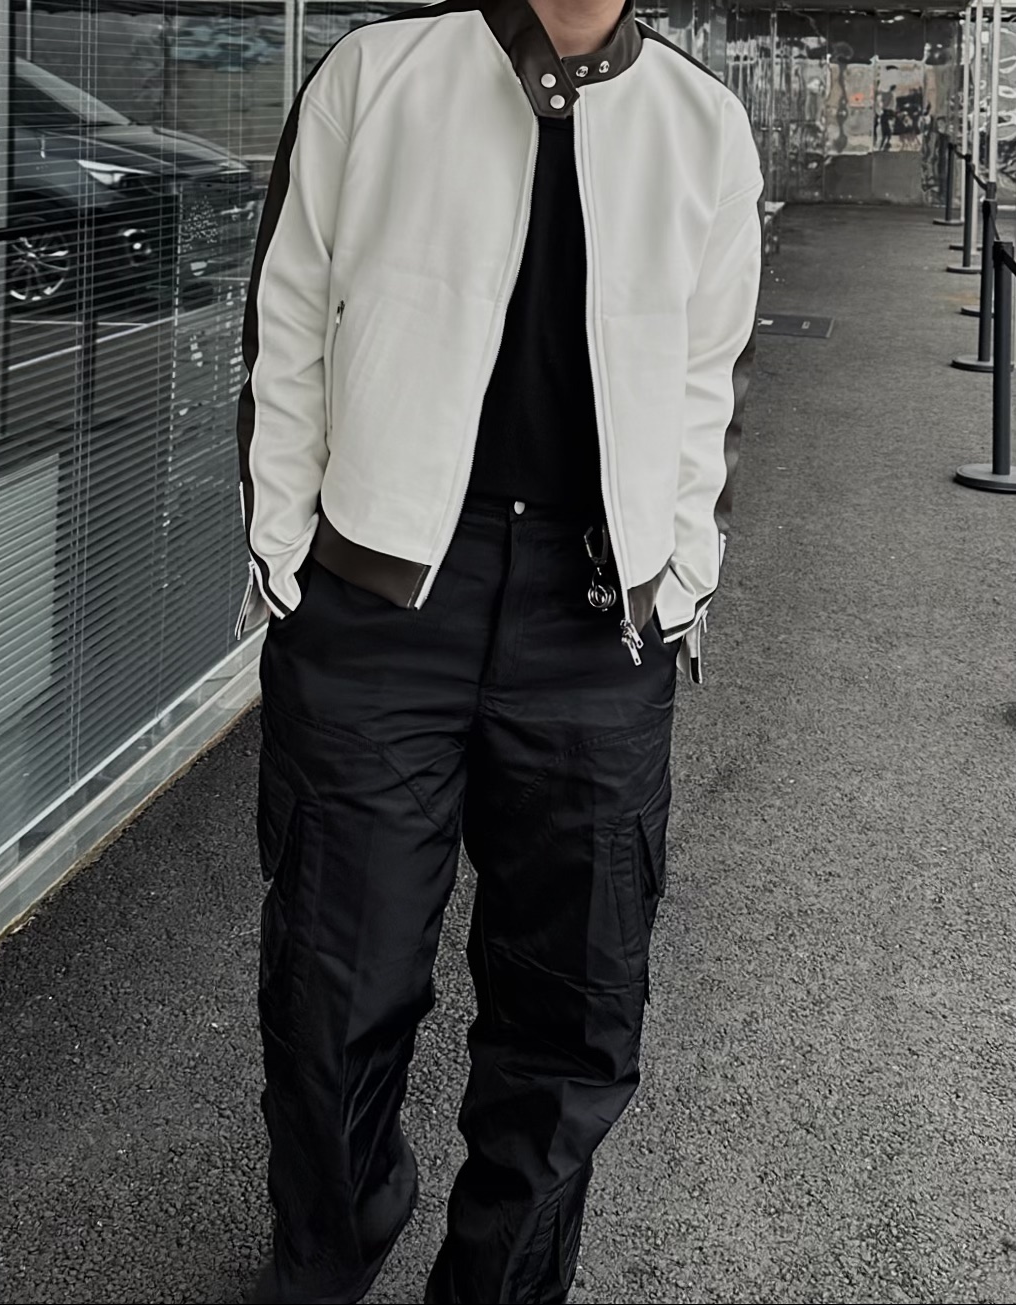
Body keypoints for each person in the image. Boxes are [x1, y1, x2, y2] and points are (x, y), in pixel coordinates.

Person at [234, 1, 763, 1301]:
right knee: (329, 992)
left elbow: (709, 374)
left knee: (574, 1018)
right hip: (380, 599)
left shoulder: (702, 122)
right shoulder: (378, 73)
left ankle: (503, 1286)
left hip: (594, 618)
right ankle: (330, 1251)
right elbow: (288, 321)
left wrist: (679, 572)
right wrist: (289, 552)